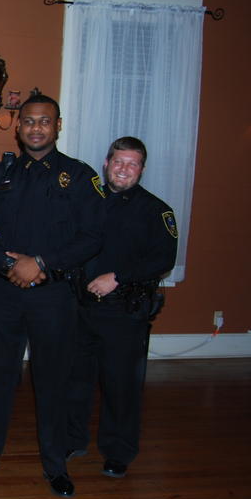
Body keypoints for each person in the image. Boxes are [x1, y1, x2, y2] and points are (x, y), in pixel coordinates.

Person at [0, 94, 104, 498]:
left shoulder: (79, 177)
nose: (37, 128)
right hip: (3, 292)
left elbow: (92, 237)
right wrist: (7, 265)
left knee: (53, 381)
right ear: (18, 125)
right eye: (29, 121)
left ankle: (55, 463)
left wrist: (41, 262)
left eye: (45, 121)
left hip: (53, 296)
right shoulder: (0, 175)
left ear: (58, 126)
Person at [66, 136, 177, 478]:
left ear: (141, 170)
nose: (124, 169)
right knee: (76, 381)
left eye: (132, 164)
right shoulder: (86, 201)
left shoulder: (156, 210)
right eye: (119, 162)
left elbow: (164, 259)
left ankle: (118, 451)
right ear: (106, 163)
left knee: (121, 386)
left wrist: (118, 276)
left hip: (123, 310)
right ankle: (72, 440)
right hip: (79, 307)